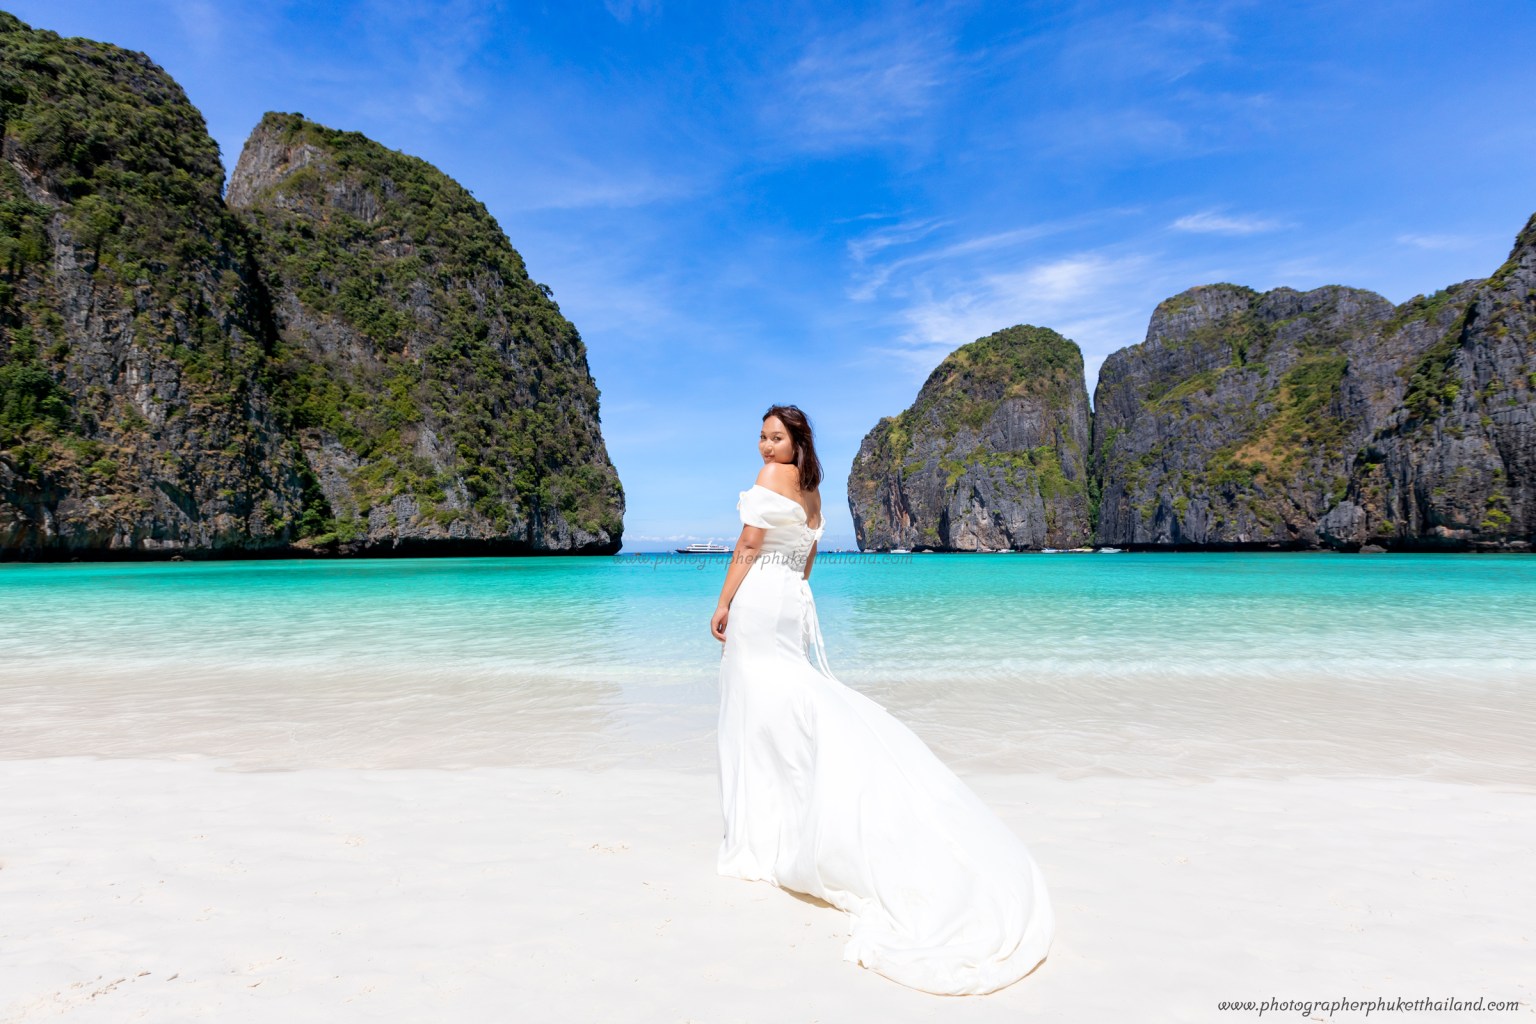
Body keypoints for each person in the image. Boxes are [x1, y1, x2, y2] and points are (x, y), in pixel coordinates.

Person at [710, 404, 1054, 997]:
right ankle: (789, 818)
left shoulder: (770, 483)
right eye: (763, 437)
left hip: (762, 598)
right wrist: (785, 588)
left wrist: (722, 603)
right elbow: (808, 561)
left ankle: (767, 834)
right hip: (790, 600)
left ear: (796, 442)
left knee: (759, 710)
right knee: (783, 705)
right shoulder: (813, 493)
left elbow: (748, 542)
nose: (766, 448)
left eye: (777, 438)